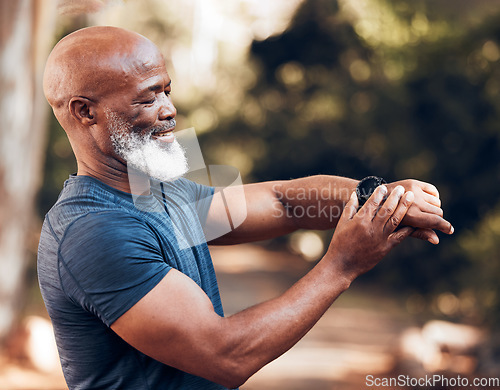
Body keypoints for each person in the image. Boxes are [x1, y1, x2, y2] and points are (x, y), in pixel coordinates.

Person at [38, 26, 453, 390]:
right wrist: (341, 266)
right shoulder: (93, 232)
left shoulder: (155, 189)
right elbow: (225, 356)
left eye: (166, 90)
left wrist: (376, 197)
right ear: (85, 111)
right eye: (147, 100)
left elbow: (283, 202)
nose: (169, 110)